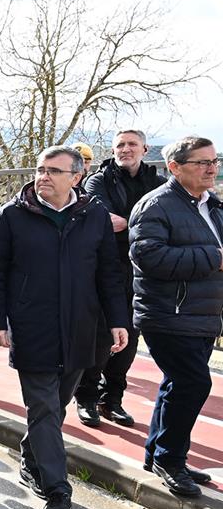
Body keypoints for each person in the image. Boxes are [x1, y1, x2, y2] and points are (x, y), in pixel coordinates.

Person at [0, 146, 128, 509]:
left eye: (54, 171)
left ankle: (33, 457)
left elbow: (109, 272)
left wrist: (118, 320)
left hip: (82, 329)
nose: (43, 176)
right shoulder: (13, 214)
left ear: (76, 177)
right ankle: (58, 491)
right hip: (33, 328)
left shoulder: (93, 215)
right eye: (40, 169)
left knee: (56, 406)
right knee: (43, 407)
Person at [130, 135, 222, 497]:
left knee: (177, 384)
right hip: (168, 314)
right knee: (194, 383)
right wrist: (214, 257)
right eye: (201, 162)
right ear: (174, 167)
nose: (211, 168)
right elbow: (149, 258)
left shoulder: (210, 205)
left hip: (203, 314)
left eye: (214, 161)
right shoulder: (156, 205)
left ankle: (159, 455)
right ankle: (170, 460)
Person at [73, 130, 163, 427]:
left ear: (144, 149)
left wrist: (130, 223)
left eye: (132, 144)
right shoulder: (97, 181)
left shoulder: (156, 183)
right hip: (106, 270)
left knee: (130, 339)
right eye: (120, 145)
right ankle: (86, 396)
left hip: (141, 273)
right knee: (101, 338)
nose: (125, 149)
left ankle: (112, 399)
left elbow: (162, 225)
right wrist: (145, 228)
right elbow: (105, 222)